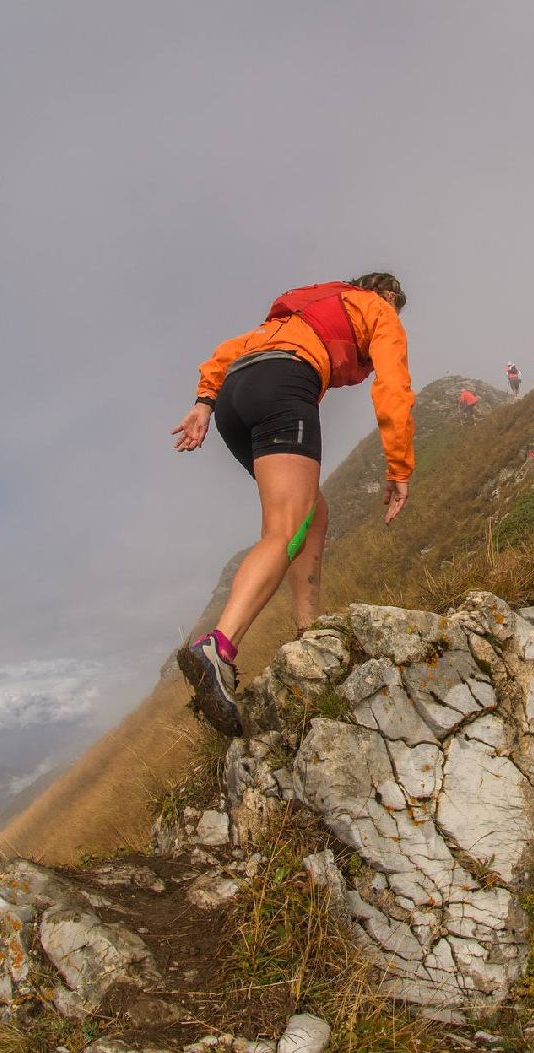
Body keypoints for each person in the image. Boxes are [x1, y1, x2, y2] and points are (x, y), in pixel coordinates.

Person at [171, 273, 415, 735]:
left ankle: (310, 630)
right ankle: (218, 647)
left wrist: (203, 403)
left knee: (312, 514)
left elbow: (227, 352)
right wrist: (399, 467)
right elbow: (393, 388)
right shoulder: (377, 308)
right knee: (284, 530)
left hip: (234, 398)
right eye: (396, 305)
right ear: (385, 296)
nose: (397, 315)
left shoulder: (295, 315)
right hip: (284, 386)